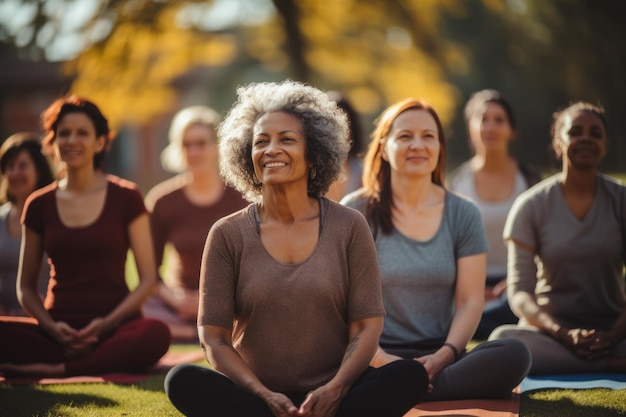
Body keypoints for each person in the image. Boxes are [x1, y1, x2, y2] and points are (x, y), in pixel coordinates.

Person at [164, 80, 429, 417]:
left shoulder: (349, 226)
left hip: (338, 394)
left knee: (408, 375)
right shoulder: (227, 234)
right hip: (256, 398)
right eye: (261, 142)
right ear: (248, 157)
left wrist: (335, 390)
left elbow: (366, 328)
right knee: (182, 379)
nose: (271, 150)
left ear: (314, 155)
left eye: (286, 139)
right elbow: (213, 339)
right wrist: (263, 395)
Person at [341, 98, 531, 401]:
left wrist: (444, 355)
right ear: (384, 148)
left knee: (515, 352)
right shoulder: (355, 211)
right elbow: (345, 305)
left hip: (441, 355)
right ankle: (407, 385)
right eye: (405, 136)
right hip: (373, 355)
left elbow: (470, 301)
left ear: (439, 148)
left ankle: (403, 390)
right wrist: (381, 360)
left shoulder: (463, 213)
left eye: (428, 136)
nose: (418, 144)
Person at [0, 95, 170, 377]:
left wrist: (105, 324)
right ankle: (79, 362)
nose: (72, 141)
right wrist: (52, 328)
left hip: (117, 329)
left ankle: (58, 369)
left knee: (156, 333)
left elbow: (148, 281)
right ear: (53, 142)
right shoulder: (39, 204)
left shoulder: (127, 196)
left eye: (82, 133)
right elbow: (26, 289)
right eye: (64, 133)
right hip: (57, 332)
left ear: (100, 142)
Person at [489, 101, 626, 374]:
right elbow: (519, 294)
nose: (586, 138)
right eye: (576, 131)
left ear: (605, 144)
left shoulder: (620, 200)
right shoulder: (531, 205)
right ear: (558, 141)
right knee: (503, 342)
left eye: (595, 133)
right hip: (551, 333)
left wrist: (612, 336)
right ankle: (610, 364)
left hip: (615, 330)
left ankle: (600, 356)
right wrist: (563, 333)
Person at [143, 106, 246, 341]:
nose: (193, 151)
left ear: (217, 146)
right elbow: (148, 272)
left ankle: (202, 332)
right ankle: (199, 334)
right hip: (176, 307)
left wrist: (213, 301)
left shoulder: (241, 198)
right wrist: (173, 298)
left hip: (229, 304)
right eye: (186, 145)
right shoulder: (162, 200)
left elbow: (254, 266)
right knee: (134, 311)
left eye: (201, 143)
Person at [448, 89, 541, 339]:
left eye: (499, 120)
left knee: (517, 304)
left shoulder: (530, 180)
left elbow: (543, 242)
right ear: (470, 127)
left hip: (519, 283)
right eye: (482, 118)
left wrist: (513, 283)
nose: (490, 126)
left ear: (512, 130)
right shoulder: (456, 182)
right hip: (469, 282)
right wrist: (474, 288)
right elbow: (449, 244)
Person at [0, 133, 54, 316]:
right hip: (6, 323)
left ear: (38, 170)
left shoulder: (55, 217)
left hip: (49, 322)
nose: (15, 173)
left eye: (22, 166)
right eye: (10, 167)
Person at [325, 91, 366, 202]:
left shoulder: (363, 174)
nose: (336, 132)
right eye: (330, 124)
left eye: (343, 125)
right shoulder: (305, 173)